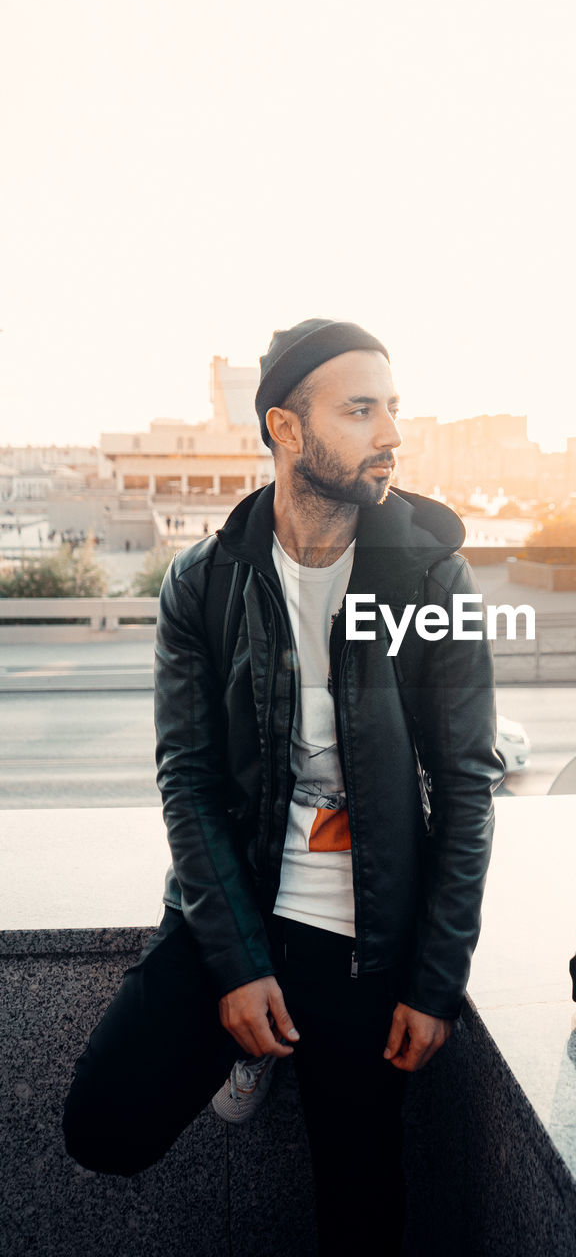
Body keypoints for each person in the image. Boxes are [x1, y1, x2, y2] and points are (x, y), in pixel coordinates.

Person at [63, 318, 501, 1256]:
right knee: (101, 1126)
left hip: (364, 940)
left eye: (394, 407)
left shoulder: (429, 577)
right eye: (360, 409)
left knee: (361, 1207)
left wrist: (436, 981)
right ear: (285, 430)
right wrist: (236, 965)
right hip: (244, 900)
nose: (391, 432)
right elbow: (186, 779)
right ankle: (245, 1042)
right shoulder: (207, 582)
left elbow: (466, 788)